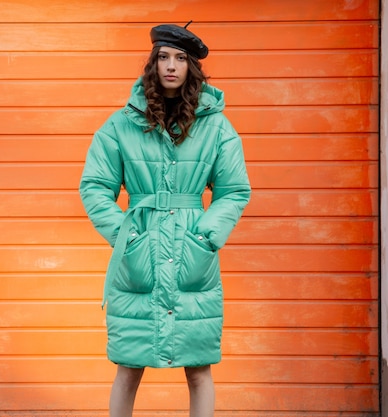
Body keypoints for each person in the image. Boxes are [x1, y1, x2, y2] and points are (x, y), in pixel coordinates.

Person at [79, 22, 251, 417]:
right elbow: (94, 187)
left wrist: (205, 237)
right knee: (128, 365)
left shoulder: (216, 127)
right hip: (139, 251)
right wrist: (128, 235)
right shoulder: (121, 124)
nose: (170, 66)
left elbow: (234, 189)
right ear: (152, 64)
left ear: (191, 67)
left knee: (199, 367)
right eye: (163, 57)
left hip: (193, 252)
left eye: (179, 58)